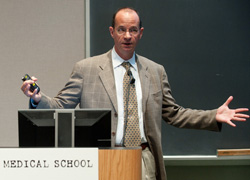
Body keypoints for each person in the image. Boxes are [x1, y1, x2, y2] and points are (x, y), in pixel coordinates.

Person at [21, 7, 249, 180]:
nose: (127, 35)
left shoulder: (155, 71)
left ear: (140, 33)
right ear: (112, 32)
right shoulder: (86, 69)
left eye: (132, 30)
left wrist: (212, 116)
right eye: (121, 29)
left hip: (143, 158)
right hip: (103, 159)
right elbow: (62, 106)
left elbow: (174, 114)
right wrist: (38, 99)